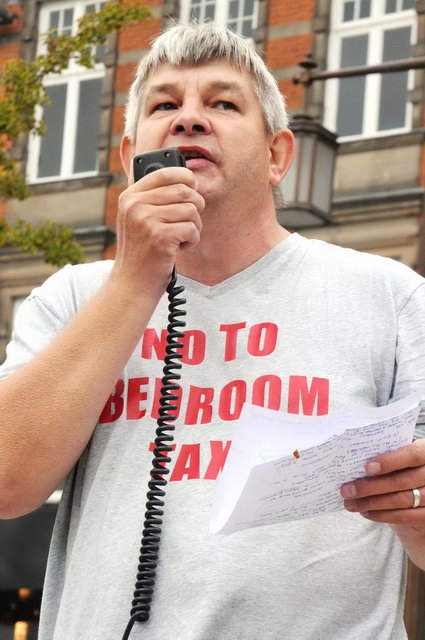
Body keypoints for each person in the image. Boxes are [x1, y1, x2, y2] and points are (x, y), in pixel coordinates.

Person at [0, 20, 425, 640]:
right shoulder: (71, 299)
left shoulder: (389, 297)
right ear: (129, 157)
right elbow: (8, 483)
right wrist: (134, 280)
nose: (190, 119)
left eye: (223, 104)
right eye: (164, 105)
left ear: (277, 155)